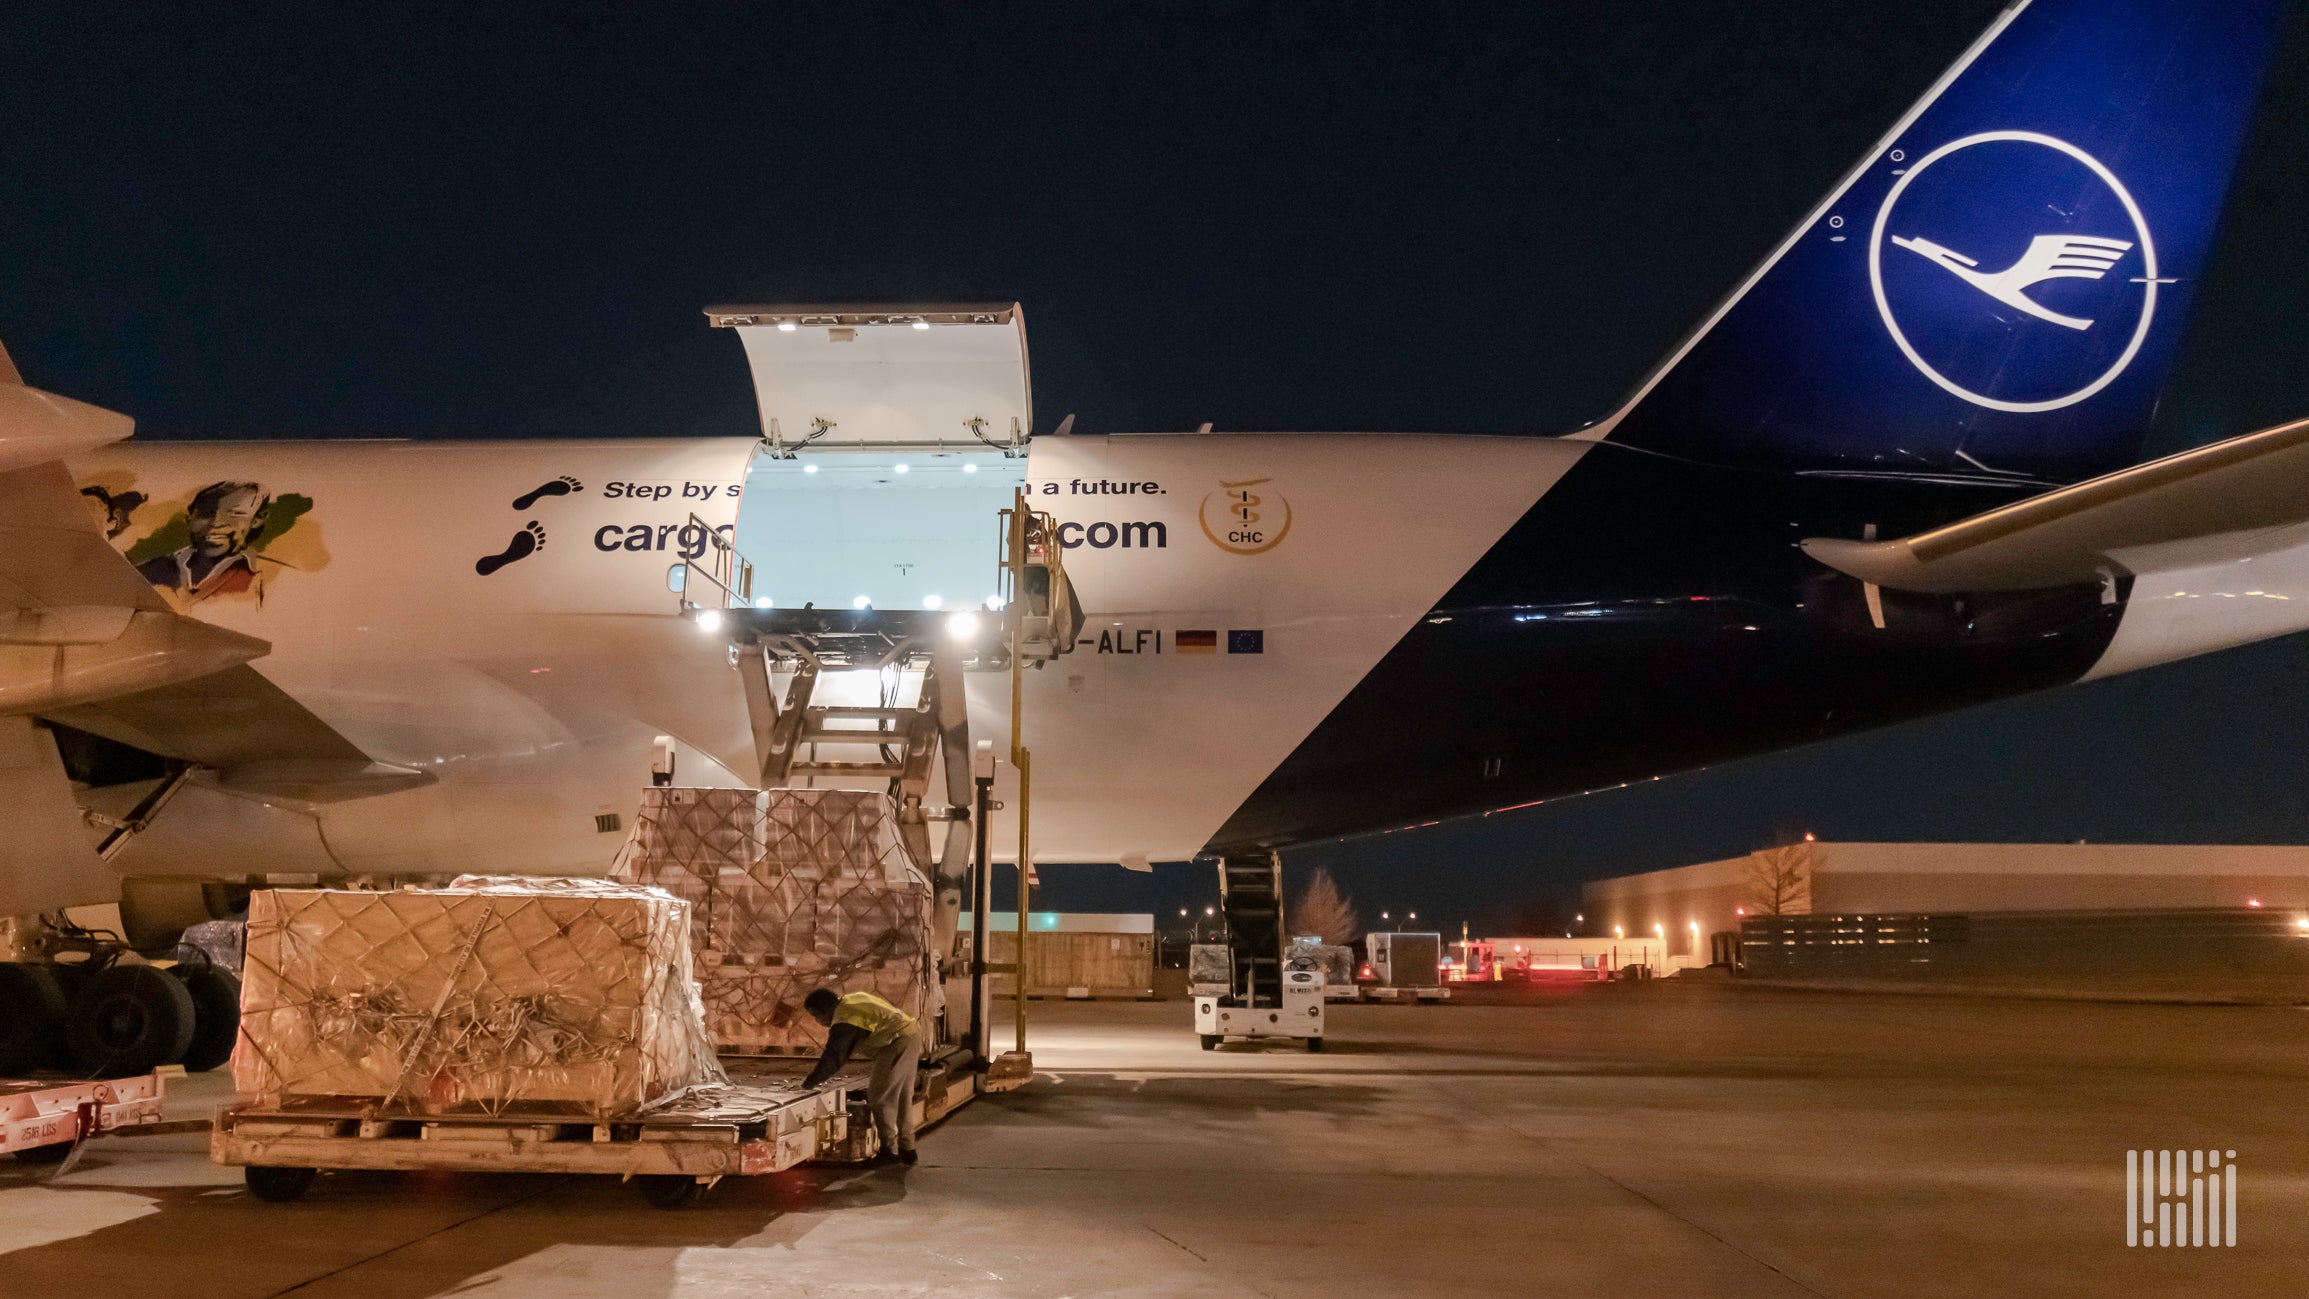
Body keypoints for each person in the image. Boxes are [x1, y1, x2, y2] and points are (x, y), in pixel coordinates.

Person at [802, 987, 922, 1165]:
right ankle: (908, 1149)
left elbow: (835, 1056)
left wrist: (810, 1082)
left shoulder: (846, 1018)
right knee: (902, 1096)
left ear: (824, 1010)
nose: (817, 1020)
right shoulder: (851, 1001)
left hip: (897, 1040)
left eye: (815, 1015)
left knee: (879, 1095)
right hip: (909, 1033)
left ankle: (888, 1150)